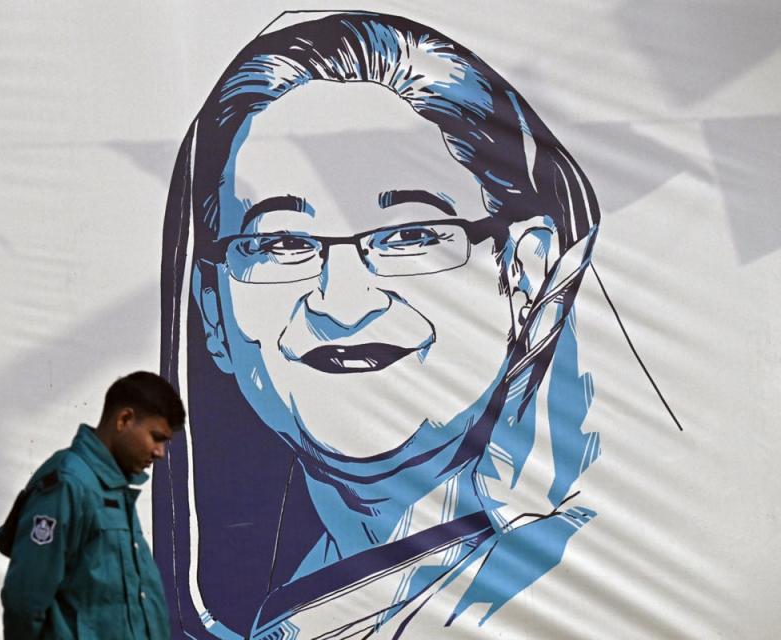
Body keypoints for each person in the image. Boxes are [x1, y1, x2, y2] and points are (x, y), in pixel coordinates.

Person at [155, 10, 601, 639]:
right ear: (213, 313)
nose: (341, 301)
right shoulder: (283, 611)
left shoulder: (578, 582)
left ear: (524, 271)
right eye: (281, 243)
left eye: (411, 235)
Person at [0, 371, 185, 640]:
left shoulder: (112, 487)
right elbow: (25, 599)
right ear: (124, 419)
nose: (160, 452)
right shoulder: (68, 483)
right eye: (156, 437)